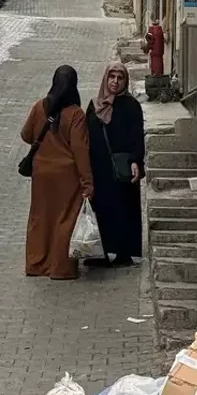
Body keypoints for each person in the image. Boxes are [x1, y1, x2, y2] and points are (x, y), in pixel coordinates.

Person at [20, 65, 93, 280]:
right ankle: (60, 268)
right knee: (65, 219)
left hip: (41, 174)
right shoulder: (76, 114)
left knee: (41, 217)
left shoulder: (39, 107)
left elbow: (26, 135)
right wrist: (87, 182)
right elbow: (81, 151)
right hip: (67, 177)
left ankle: (36, 264)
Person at [84, 62, 145, 267]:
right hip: (99, 168)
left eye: (120, 78)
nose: (115, 82)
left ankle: (123, 253)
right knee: (100, 208)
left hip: (122, 168)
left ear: (125, 81)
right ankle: (100, 252)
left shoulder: (131, 105)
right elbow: (86, 136)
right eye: (112, 77)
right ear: (105, 78)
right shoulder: (95, 105)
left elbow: (137, 137)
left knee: (123, 208)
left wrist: (136, 160)